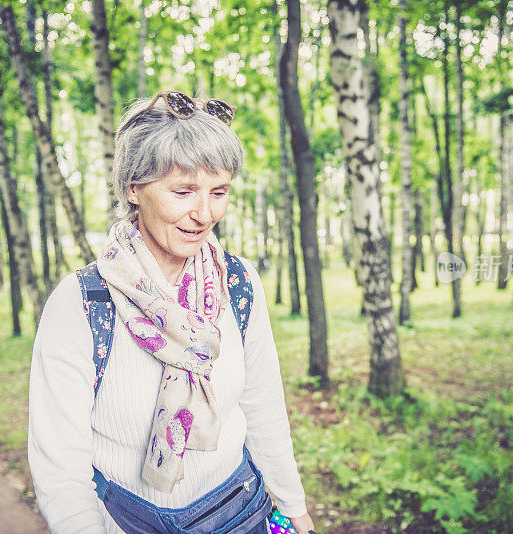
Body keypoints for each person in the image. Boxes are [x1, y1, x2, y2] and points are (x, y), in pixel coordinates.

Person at [28, 91, 316, 534]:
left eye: (218, 192)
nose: (204, 214)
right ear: (132, 189)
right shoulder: (82, 304)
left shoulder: (237, 283)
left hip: (242, 514)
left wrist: (294, 505)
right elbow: (60, 470)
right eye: (183, 191)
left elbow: (263, 407)